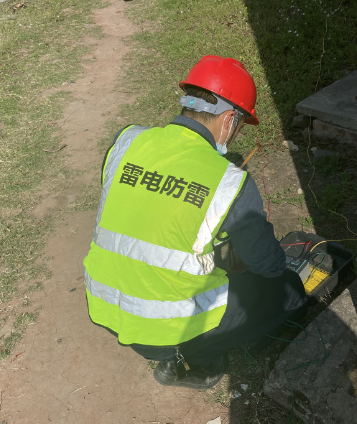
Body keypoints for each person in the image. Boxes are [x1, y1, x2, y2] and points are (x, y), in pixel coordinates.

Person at [83, 55, 307, 390]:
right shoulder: (230, 182)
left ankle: (168, 347)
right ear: (229, 119)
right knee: (288, 291)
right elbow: (269, 266)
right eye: (241, 125)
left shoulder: (126, 141)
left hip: (102, 302)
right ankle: (201, 360)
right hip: (161, 325)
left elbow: (151, 209)